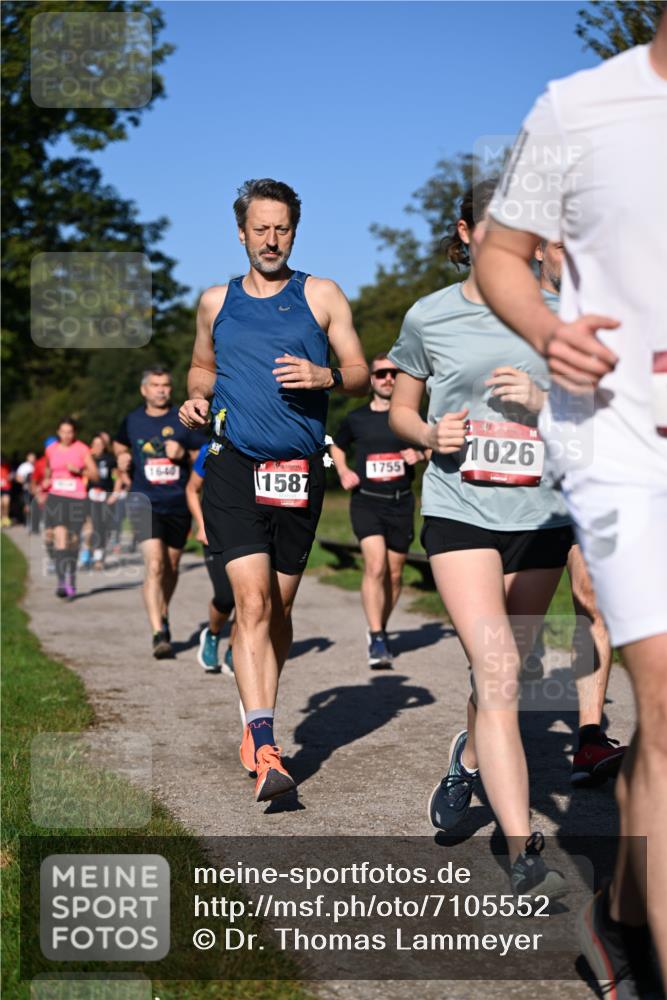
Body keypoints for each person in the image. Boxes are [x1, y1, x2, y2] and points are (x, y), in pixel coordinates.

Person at [476, 21, 667, 992]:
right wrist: (551, 333)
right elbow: (498, 257)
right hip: (620, 439)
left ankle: (624, 912)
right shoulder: (575, 109)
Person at [388, 179, 573, 898]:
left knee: (502, 676)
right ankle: (524, 851)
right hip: (459, 506)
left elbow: (606, 414)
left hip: (541, 515)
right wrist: (430, 431)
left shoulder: (565, 315)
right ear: (463, 232)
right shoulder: (429, 316)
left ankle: (467, 758)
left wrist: (546, 401)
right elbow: (402, 408)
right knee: (497, 672)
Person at [179, 177, 368, 802]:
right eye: (259, 228)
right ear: (241, 233)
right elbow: (202, 364)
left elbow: (362, 373)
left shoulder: (321, 295)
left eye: (281, 227)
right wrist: (197, 397)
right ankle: (263, 740)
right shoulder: (215, 301)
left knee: (279, 611)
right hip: (233, 465)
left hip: (299, 472)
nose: (271, 238)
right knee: (253, 604)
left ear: (294, 231)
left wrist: (326, 374)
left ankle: (256, 714)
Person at [535, 240, 625, 789]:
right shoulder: (507, 308)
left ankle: (589, 738)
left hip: (587, 482)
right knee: (511, 622)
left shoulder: (604, 314)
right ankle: (484, 743)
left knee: (592, 600)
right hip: (520, 491)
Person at [331, 352, 425, 668]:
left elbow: (431, 442)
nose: (388, 379)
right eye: (381, 373)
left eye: (394, 374)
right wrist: (343, 470)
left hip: (400, 501)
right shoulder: (356, 419)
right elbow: (336, 445)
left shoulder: (411, 416)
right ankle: (376, 635)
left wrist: (421, 453)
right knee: (375, 567)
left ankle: (381, 628)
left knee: (395, 574)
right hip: (366, 500)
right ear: (371, 380)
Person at [114, 367, 202, 659]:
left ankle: (162, 610)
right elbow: (119, 443)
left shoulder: (184, 418)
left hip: (177, 502)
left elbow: (204, 454)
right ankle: (158, 633)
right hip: (144, 500)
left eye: (166, 385)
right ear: (144, 390)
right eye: (155, 385)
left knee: (171, 566)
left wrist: (184, 454)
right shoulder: (132, 420)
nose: (161, 390)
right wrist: (121, 457)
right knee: (154, 564)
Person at [185, 442, 236, 675]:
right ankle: (213, 634)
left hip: (251, 533)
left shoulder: (262, 445)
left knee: (250, 600)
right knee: (226, 598)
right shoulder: (211, 449)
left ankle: (236, 650)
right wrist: (202, 524)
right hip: (214, 534)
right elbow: (192, 489)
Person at [43, 419, 98, 599]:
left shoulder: (82, 449)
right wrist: (46, 482)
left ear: (74, 433)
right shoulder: (51, 450)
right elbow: (47, 470)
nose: (67, 435)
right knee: (60, 538)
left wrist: (79, 471)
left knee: (72, 541)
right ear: (58, 432)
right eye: (63, 432)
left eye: (70, 432)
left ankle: (71, 577)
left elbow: (95, 474)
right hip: (56, 497)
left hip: (76, 499)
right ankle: (61, 583)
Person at [83, 434, 118, 570]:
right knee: (91, 527)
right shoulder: (88, 459)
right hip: (90, 496)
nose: (98, 447)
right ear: (91, 446)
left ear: (104, 446)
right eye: (95, 444)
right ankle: (87, 553)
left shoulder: (110, 460)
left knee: (103, 527)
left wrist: (115, 494)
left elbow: (118, 477)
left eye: (100, 444)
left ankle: (99, 556)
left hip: (106, 497)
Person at [15, 451, 36, 527]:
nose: (33, 459)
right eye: (31, 457)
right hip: (27, 489)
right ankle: (27, 521)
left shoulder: (36, 465)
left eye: (34, 457)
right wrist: (25, 482)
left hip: (35, 489)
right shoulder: (24, 466)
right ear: (27, 457)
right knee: (27, 505)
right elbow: (17, 478)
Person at [1, 455, 13, 527]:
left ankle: (5, 518)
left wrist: (10, 477)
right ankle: (1, 519)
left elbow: (12, 474)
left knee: (6, 503)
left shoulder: (7, 466)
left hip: (6, 487)